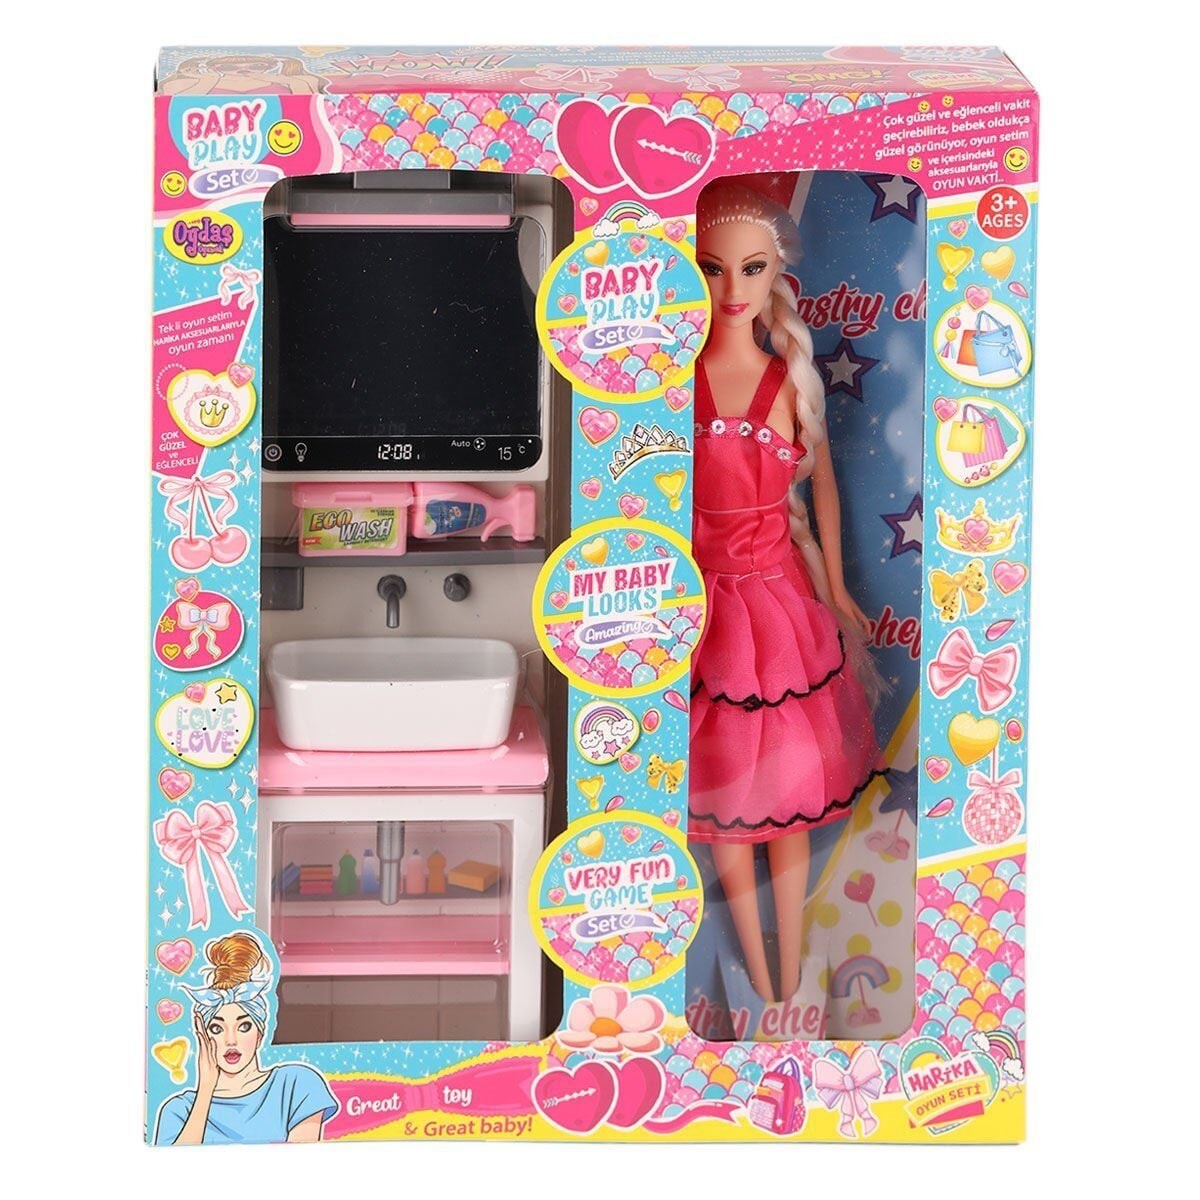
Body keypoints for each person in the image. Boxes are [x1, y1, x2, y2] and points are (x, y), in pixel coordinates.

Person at [688, 178, 884, 1004]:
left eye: (752, 268)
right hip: (700, 606)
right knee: (727, 791)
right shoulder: (675, 380)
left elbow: (823, 487)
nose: (733, 289)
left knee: (788, 793)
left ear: (777, 273)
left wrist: (835, 587)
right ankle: (764, 975)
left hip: (775, 605)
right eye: (712, 269)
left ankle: (791, 969)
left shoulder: (787, 383)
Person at [154, 932, 337, 1144]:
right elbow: (172, 1163)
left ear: (260, 1033)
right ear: (202, 1034)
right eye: (216, 1028)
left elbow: (302, 1160)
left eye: (244, 1026)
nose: (231, 1040)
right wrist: (205, 1089)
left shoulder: (296, 1084)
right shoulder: (179, 1109)